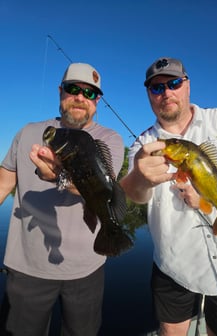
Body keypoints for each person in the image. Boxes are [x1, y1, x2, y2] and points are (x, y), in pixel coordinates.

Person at [120, 57, 217, 336]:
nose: (166, 92)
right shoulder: (144, 144)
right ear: (148, 95)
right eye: (156, 88)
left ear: (187, 85)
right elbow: (134, 194)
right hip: (174, 265)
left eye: (174, 83)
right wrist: (141, 178)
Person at [0, 62, 124, 336]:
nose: (80, 97)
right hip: (26, 269)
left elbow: (104, 188)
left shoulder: (109, 139)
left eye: (89, 93)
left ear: (97, 100)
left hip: (87, 270)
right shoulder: (27, 132)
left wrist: (61, 177)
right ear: (61, 92)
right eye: (73, 89)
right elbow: (3, 182)